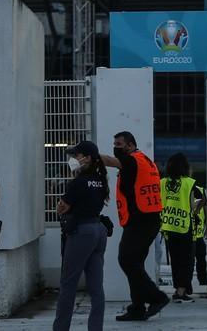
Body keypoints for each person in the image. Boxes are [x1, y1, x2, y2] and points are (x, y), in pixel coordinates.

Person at [100, 132, 168, 321]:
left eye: (119, 144)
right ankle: (137, 308)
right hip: (148, 219)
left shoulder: (131, 161)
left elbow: (110, 161)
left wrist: (88, 155)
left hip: (141, 221)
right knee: (134, 264)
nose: (116, 147)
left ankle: (157, 297)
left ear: (130, 145)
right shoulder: (145, 160)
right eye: (114, 143)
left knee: (127, 260)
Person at [54, 141, 109, 331]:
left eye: (76, 156)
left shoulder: (77, 182)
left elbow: (61, 208)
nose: (73, 159)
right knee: (96, 287)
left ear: (87, 158)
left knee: (68, 284)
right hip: (98, 230)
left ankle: (60, 328)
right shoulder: (101, 180)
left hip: (81, 232)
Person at [158, 153, 198, 304]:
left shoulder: (162, 182)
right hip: (184, 226)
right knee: (187, 260)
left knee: (175, 260)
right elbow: (193, 206)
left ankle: (178, 289)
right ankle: (182, 292)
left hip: (168, 226)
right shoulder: (189, 183)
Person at [191, 179, 207, 290]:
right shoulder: (188, 191)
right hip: (189, 234)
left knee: (201, 261)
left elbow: (206, 211)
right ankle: (189, 285)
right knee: (190, 261)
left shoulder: (201, 190)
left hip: (198, 234)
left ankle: (203, 282)